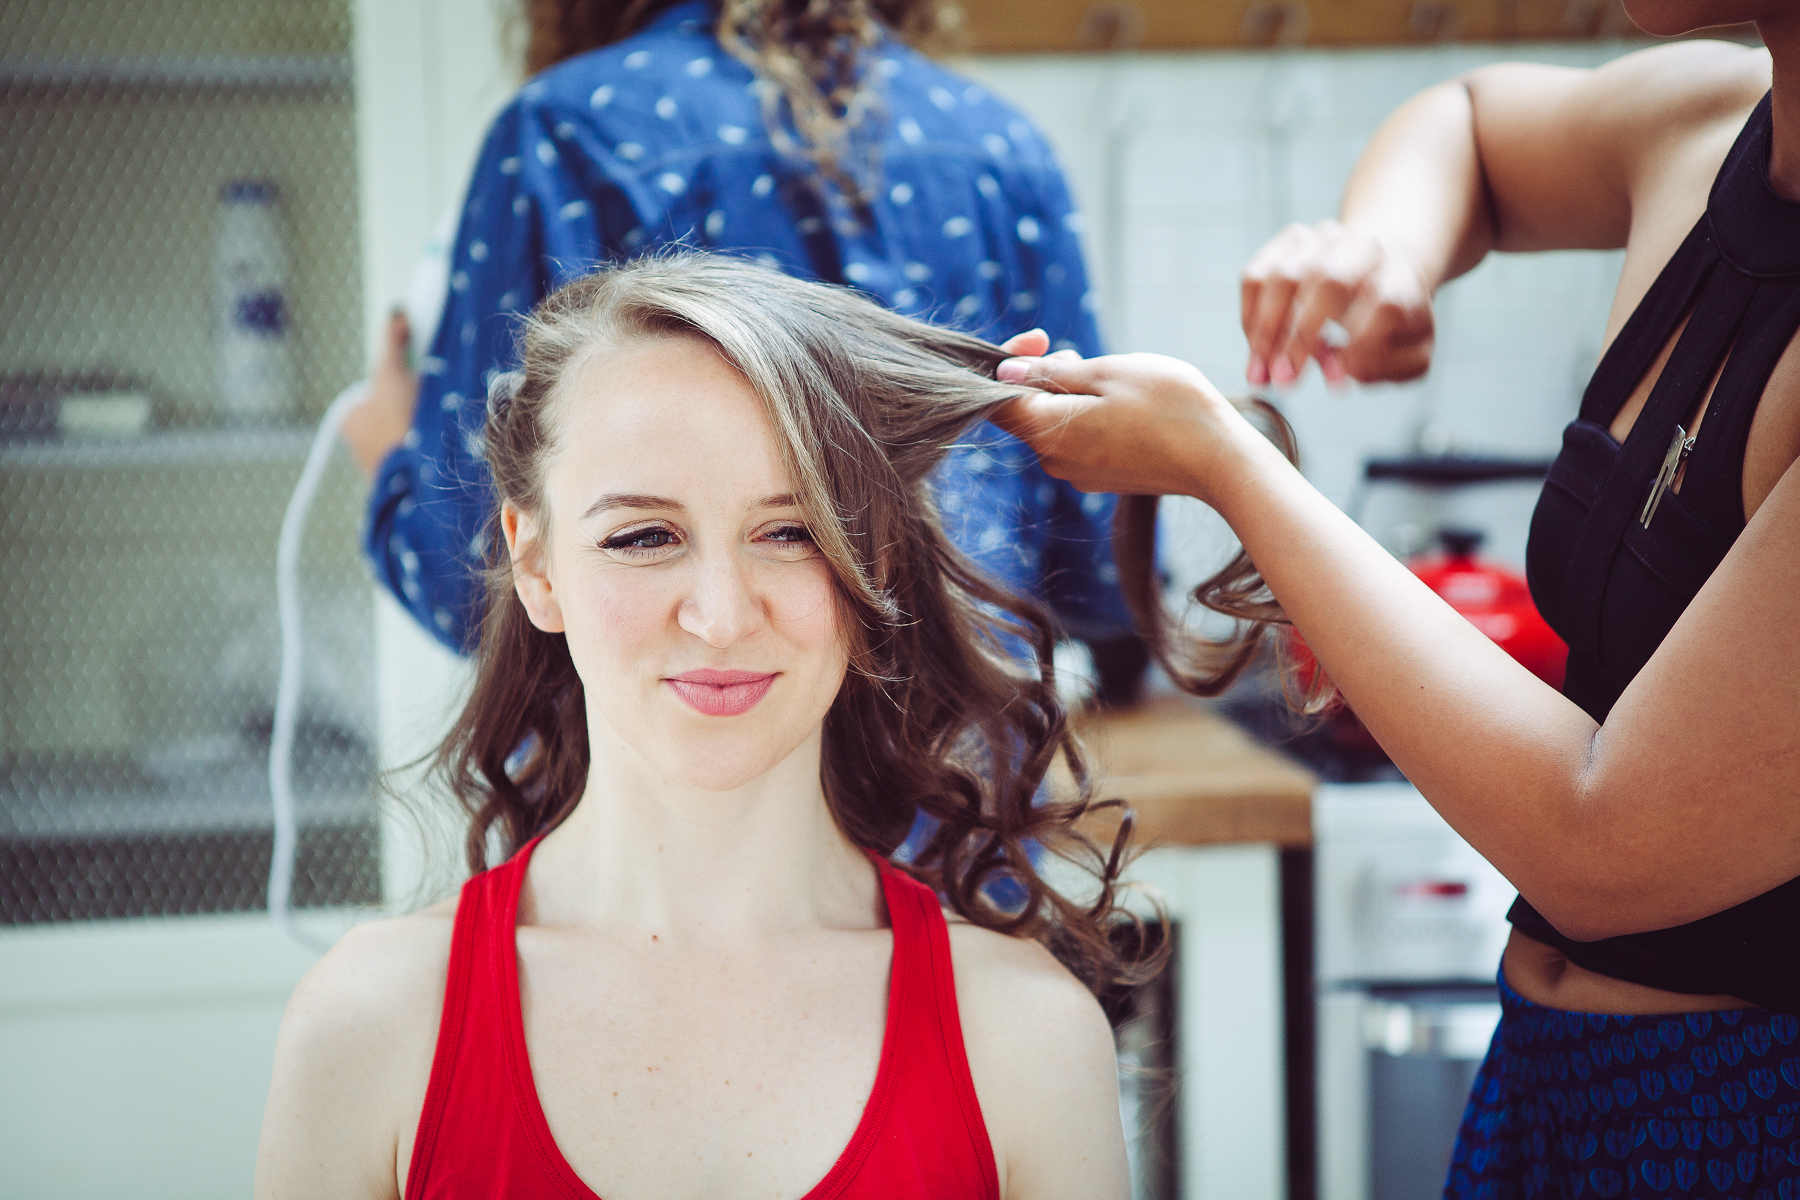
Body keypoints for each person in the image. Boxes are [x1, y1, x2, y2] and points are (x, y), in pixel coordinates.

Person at [258, 251, 1288, 1199]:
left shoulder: (1023, 1039)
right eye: (644, 535)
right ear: (536, 563)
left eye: (790, 532)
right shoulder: (371, 1031)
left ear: (875, 558)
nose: (721, 614)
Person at [993, 6, 1800, 1198]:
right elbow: (1467, 123)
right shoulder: (1710, 114)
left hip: (1745, 1123)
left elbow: (1601, 845)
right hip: (1549, 1075)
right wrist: (1385, 252)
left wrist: (1231, 467)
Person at [341, 0, 1141, 692]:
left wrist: (389, 460)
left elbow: (473, 584)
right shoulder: (1003, 147)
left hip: (671, 810)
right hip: (959, 800)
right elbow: (1103, 558)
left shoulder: (563, 132)